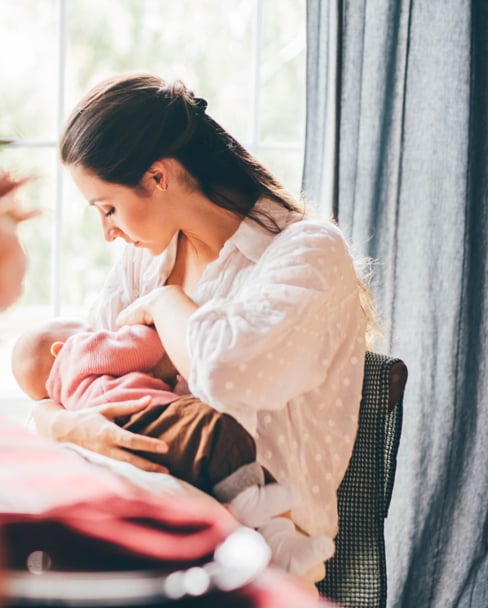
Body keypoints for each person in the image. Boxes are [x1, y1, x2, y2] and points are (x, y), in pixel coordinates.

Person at [30, 73, 369, 582]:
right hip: (154, 523)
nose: (108, 232)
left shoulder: (306, 252)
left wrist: (168, 303)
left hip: (260, 553)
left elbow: (226, 373)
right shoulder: (148, 257)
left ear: (157, 178)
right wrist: (59, 423)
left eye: (109, 209)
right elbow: (84, 365)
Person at [12, 318, 335, 578]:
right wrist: (150, 324)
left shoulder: (66, 398)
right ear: (59, 348)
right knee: (217, 427)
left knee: (234, 465)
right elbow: (141, 348)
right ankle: (255, 513)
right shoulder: (77, 352)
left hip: (131, 437)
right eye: (83, 328)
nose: (96, 329)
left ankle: (281, 544)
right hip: (147, 416)